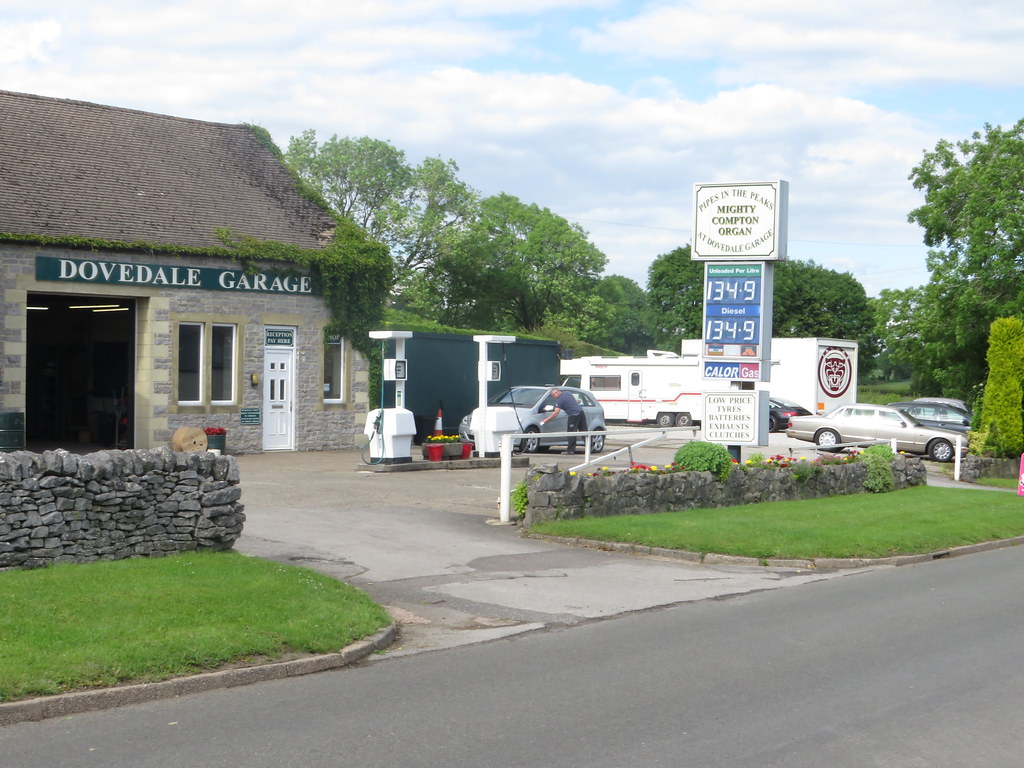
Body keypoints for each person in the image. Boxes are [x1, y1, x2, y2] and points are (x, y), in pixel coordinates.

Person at [541, 386, 586, 455]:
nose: (554, 397)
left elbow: (556, 413)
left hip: (573, 415)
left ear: (556, 392)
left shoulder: (560, 400)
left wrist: (545, 420)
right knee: (584, 431)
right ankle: (590, 448)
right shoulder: (567, 393)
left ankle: (570, 451)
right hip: (581, 412)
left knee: (571, 433)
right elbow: (576, 401)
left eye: (553, 395)